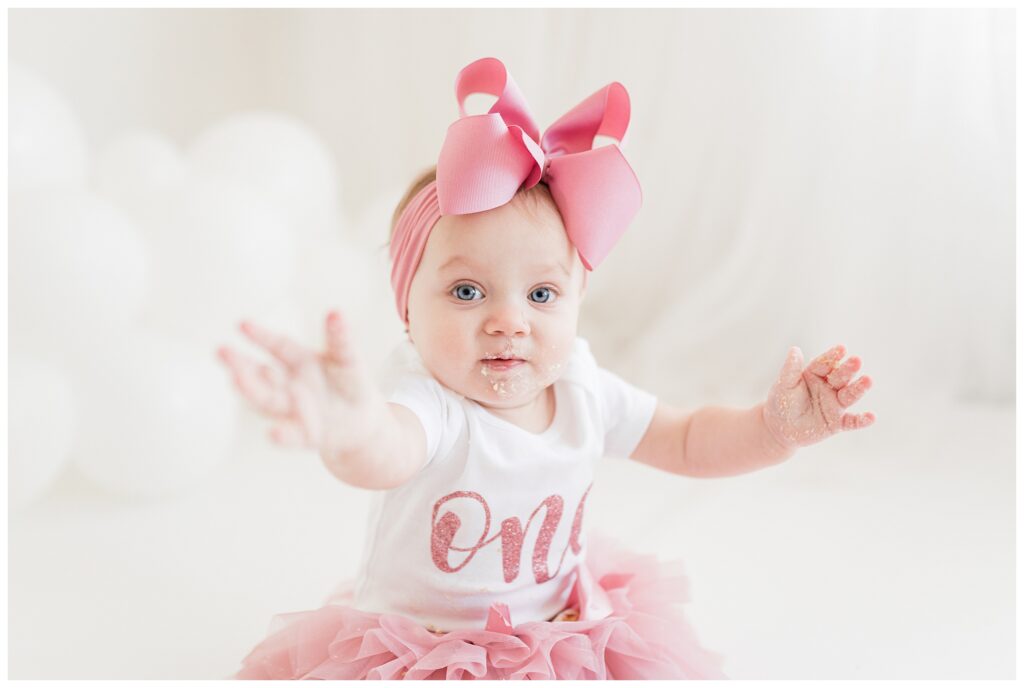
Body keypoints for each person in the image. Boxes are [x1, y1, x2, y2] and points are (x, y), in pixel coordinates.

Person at [217, 57, 875, 680]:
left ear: (577, 299)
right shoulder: (429, 402)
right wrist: (351, 426)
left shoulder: (581, 387)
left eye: (541, 295)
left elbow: (685, 437)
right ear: (408, 312)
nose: (510, 322)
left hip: (561, 632)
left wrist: (773, 431)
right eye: (467, 292)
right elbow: (386, 450)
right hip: (427, 650)